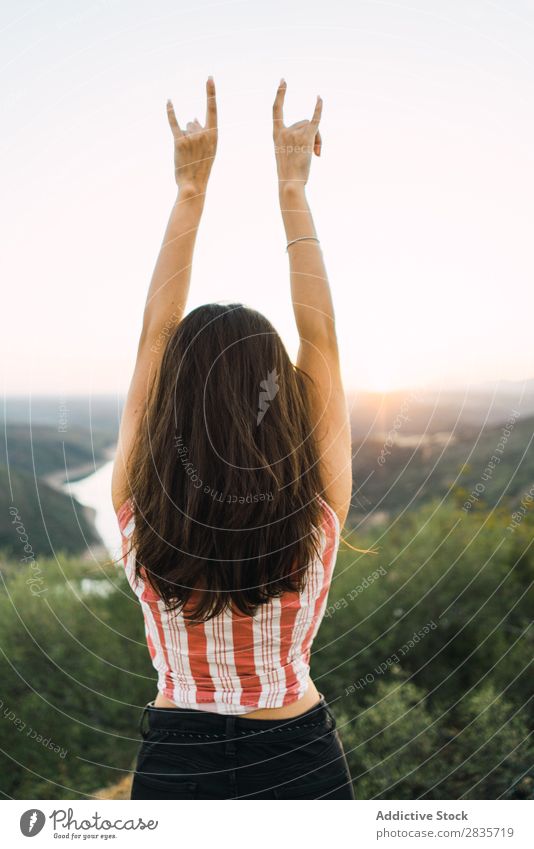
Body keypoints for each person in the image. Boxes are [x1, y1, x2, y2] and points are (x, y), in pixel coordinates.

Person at [111, 77, 354, 800]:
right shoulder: (314, 511)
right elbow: (321, 338)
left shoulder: (137, 507)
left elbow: (157, 333)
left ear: (171, 403)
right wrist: (293, 187)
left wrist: (190, 190)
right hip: (299, 755)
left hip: (176, 760)